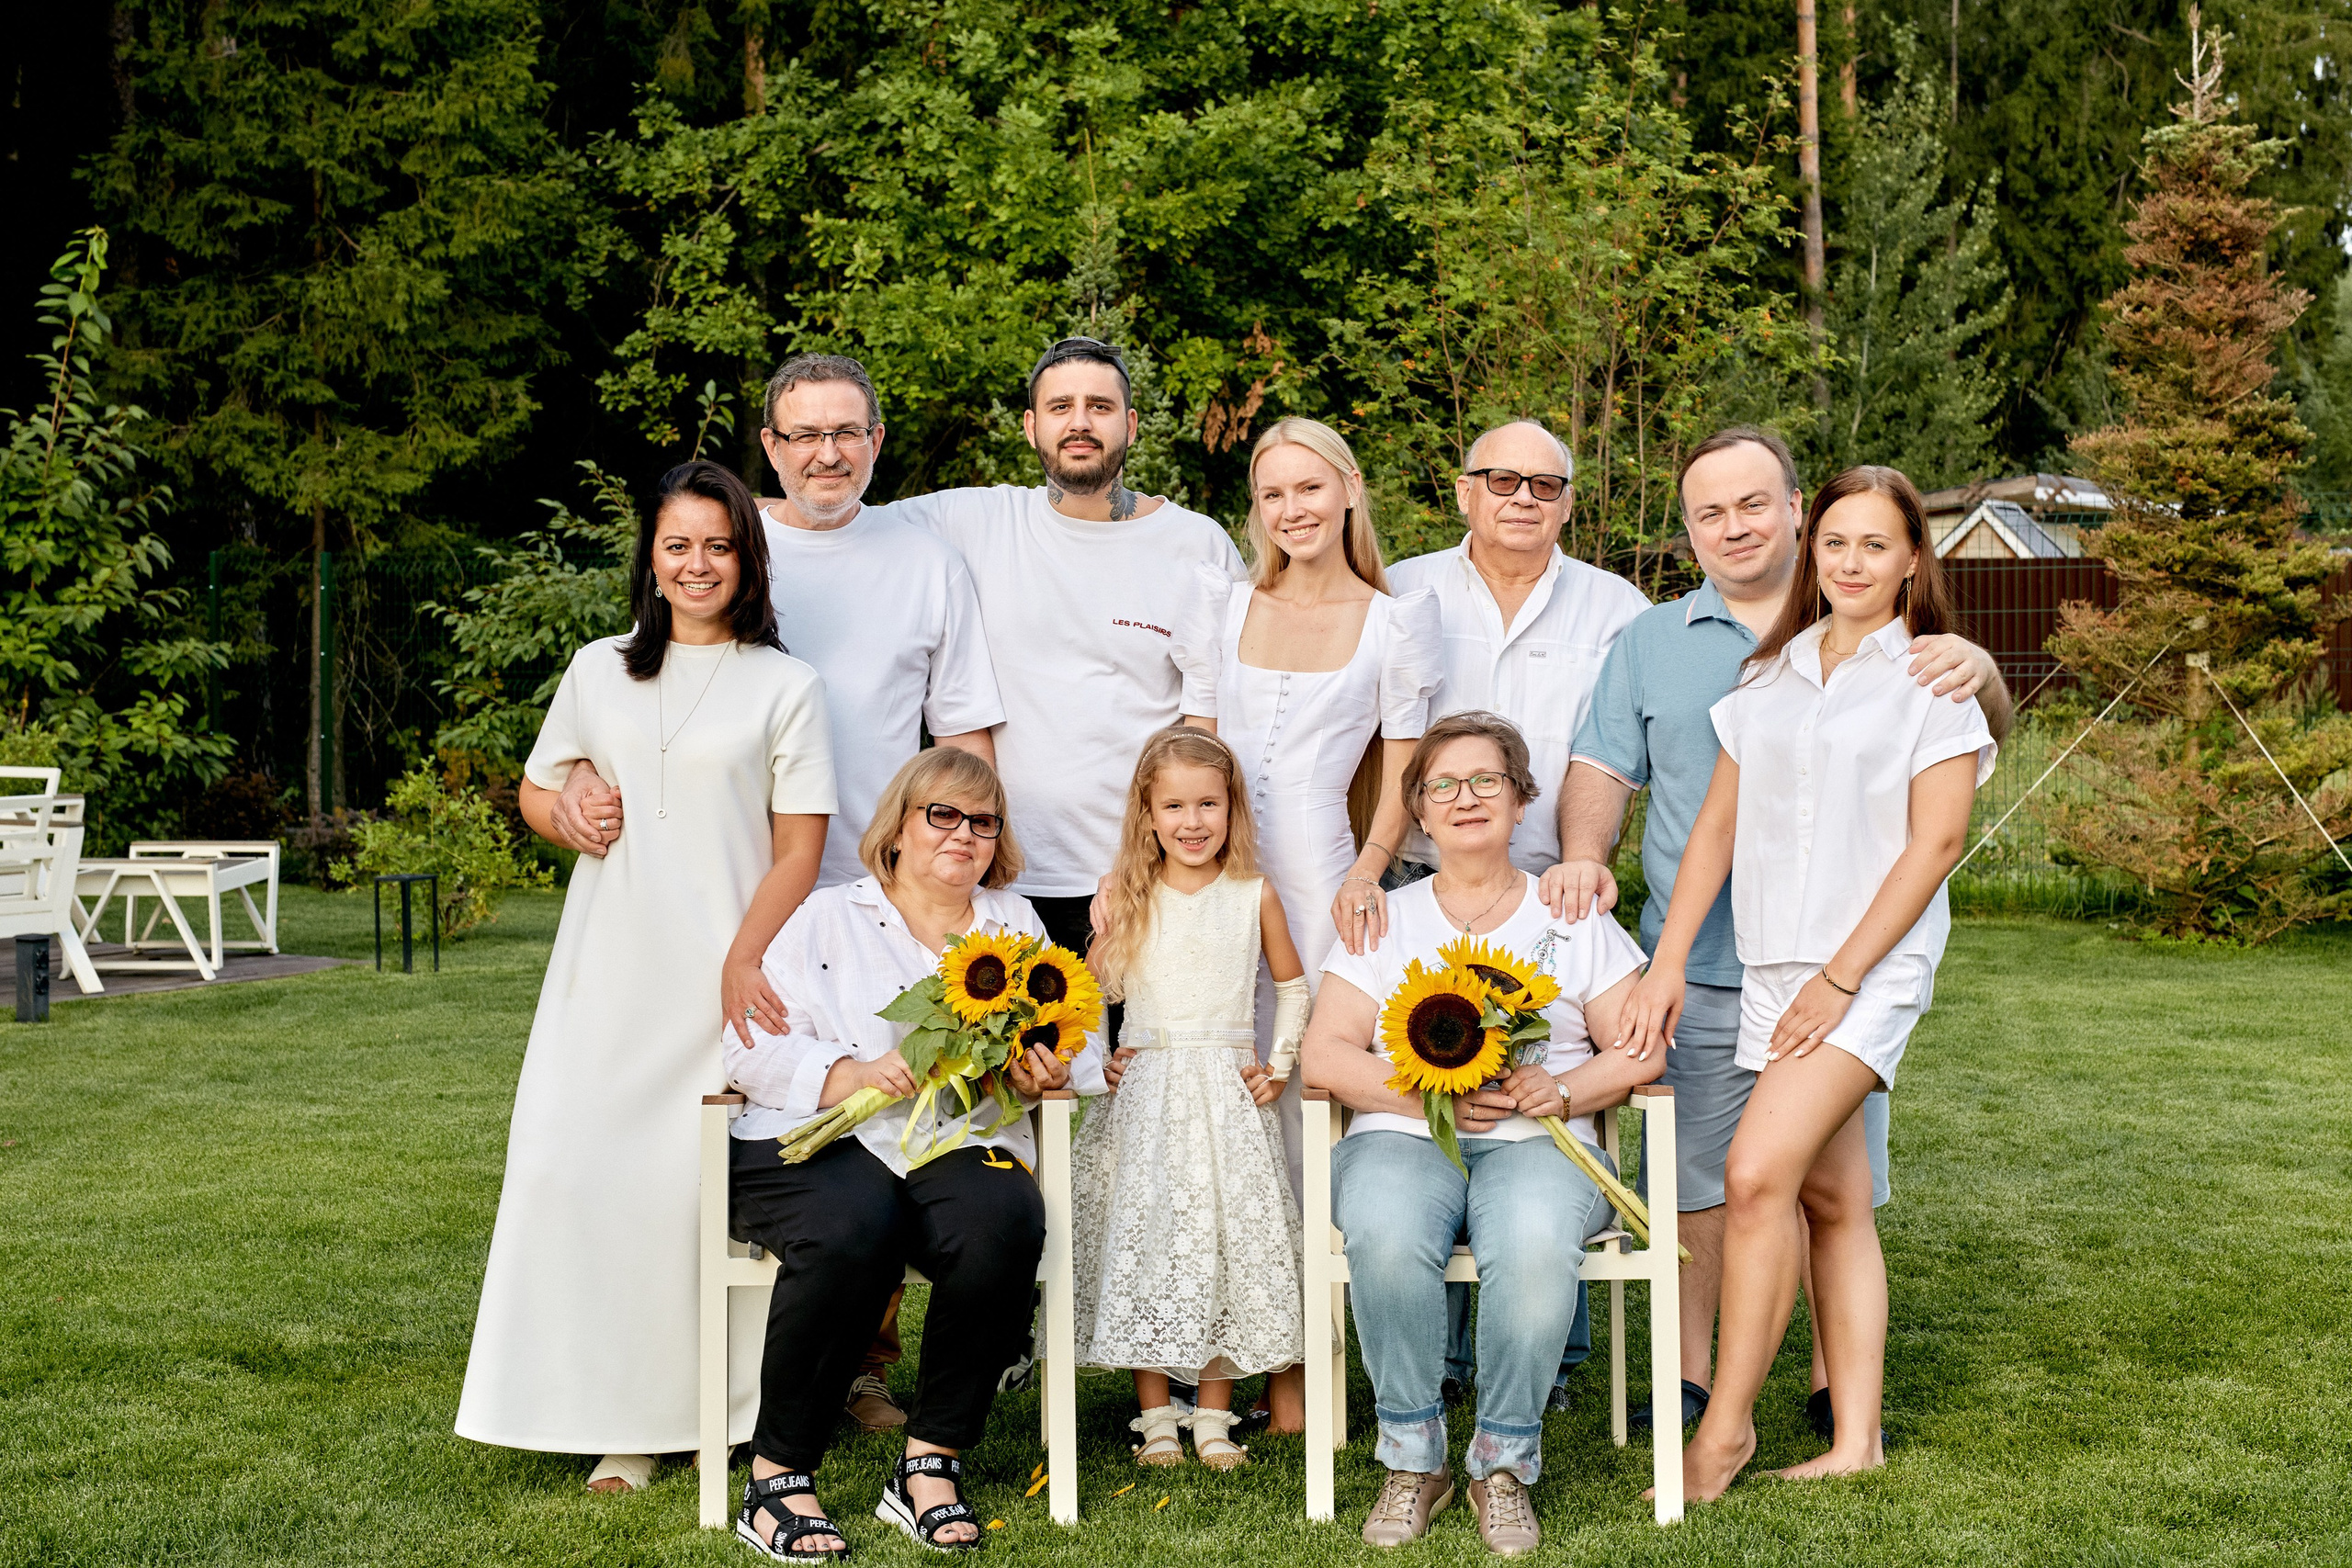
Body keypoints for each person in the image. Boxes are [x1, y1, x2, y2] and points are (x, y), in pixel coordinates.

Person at [554, 353, 1006, 1431]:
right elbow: (633, 690)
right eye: (802, 434)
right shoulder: (726, 542)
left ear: (876, 443)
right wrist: (573, 778)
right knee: (768, 1122)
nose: (826, 454)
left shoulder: (924, 559)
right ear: (770, 445)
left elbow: (962, 732)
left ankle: (856, 1368)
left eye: (846, 432)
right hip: (731, 882)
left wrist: (981, 849)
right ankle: (711, 1367)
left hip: (873, 886)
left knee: (882, 1112)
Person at [1541, 427, 2013, 1435]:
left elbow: (1969, 757)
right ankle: (1695, 1381)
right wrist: (1597, 871)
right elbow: (1611, 773)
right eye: (1708, 512)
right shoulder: (1669, 644)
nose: (1732, 525)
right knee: (1704, 1187)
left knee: (1823, 1191)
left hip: (1840, 966)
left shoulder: (1913, 653)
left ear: (1795, 508)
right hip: (1707, 962)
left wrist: (1973, 657)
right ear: (1689, 531)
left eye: (1752, 503)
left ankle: (1829, 1397)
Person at [455, 461, 835, 1494]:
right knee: (571, 1175)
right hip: (607, 969)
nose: (697, 563)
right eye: (678, 546)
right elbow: (542, 793)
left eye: (717, 545)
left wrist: (744, 956)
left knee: (691, 1194)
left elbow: (799, 847)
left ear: (746, 560)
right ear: (652, 561)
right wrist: (563, 812)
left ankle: (714, 1414)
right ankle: (600, 1409)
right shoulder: (595, 670)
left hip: (729, 974)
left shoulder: (786, 685)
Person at [721, 747, 1103, 1557]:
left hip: (956, 1139)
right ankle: (777, 1473)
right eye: (943, 814)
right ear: (898, 826)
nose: (964, 834)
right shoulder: (827, 915)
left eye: (983, 821)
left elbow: (1076, 1034)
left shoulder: (1016, 925)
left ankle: (930, 1462)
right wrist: (847, 1071)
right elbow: (744, 1047)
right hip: (816, 1139)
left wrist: (1048, 1071)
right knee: (852, 1226)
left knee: (1002, 1219)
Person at [1300, 711, 1662, 1555]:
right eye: (1444, 786)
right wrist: (1427, 1094)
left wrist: (1565, 1087)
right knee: (1385, 1230)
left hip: (1540, 1145)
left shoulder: (1566, 913)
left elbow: (1638, 1048)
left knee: (1535, 1239)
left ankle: (1501, 1463)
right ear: (1418, 812)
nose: (1467, 799)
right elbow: (1324, 1052)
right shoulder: (1385, 919)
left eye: (1487, 781)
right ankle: (1413, 1456)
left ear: (1521, 798)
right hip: (1403, 1134)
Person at [878, 337, 1245, 958]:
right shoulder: (975, 522)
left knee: (1139, 1058)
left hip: (1152, 879)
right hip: (1003, 884)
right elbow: (841, 524)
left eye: (1100, 406)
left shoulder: (1197, 546)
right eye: (1060, 407)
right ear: (1031, 426)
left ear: (1129, 424)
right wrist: (749, 516)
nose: (1079, 422)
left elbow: (1228, 712)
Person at [1170, 416, 1441, 1200]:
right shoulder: (1223, 606)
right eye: (1273, 493)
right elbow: (1191, 757)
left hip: (1322, 872)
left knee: (1308, 1053)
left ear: (1350, 489)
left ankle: (1319, 1262)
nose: (1293, 509)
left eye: (1310, 487)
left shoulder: (1395, 622)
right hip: (1209, 865)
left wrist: (1366, 872)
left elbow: (1403, 777)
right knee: (1215, 1046)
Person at [1071, 728, 1311, 1469]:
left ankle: (1214, 1413)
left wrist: (1277, 1064)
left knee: (1221, 1245)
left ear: (1232, 809)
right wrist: (1095, 1060)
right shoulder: (1127, 896)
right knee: (1147, 1241)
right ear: (1147, 811)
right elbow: (1085, 995)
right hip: (1147, 1093)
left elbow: (1294, 988)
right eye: (1173, 804)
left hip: (1226, 1098)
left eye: (1208, 803)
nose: (1192, 821)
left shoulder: (1251, 895)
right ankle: (1155, 1421)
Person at [1385, 422, 1650, 880]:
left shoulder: (1621, 609)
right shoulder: (1398, 590)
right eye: (1503, 480)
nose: (1524, 498)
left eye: (1545, 485)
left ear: (1566, 505)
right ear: (1465, 493)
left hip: (1556, 884)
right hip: (1412, 871)